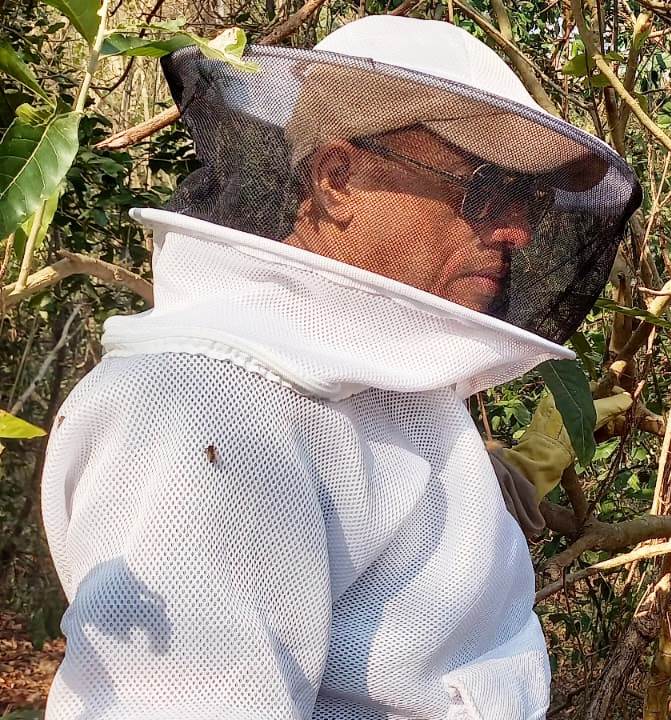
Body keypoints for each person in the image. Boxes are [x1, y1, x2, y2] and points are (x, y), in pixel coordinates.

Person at [38, 16, 637, 719]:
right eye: (486, 190)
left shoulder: (362, 370)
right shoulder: (210, 404)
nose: (518, 230)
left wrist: (499, 479)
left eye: (529, 199)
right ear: (338, 179)